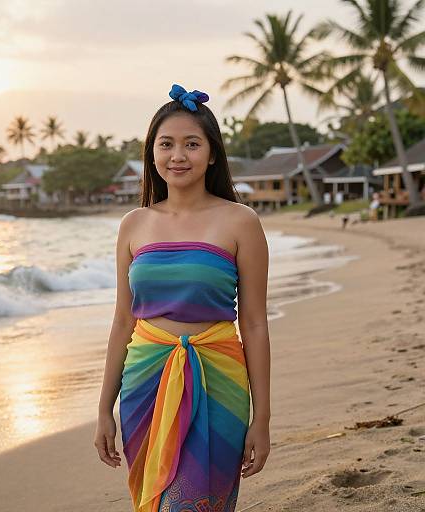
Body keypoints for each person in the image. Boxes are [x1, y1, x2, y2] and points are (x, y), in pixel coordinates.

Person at [94, 84, 271, 511]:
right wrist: (104, 409)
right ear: (151, 154)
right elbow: (123, 320)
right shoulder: (133, 225)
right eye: (166, 144)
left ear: (212, 154)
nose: (178, 155)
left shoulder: (240, 222)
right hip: (144, 383)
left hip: (219, 381)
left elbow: (255, 324)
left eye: (192, 144)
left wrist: (261, 418)